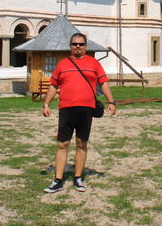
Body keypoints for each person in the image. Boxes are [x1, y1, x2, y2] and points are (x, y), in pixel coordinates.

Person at [42, 32, 116, 193]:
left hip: (86, 109)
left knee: (82, 144)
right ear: (70, 46)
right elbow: (54, 85)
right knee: (63, 144)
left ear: (85, 46)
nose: (78, 47)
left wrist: (111, 102)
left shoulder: (94, 63)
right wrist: (46, 104)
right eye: (75, 44)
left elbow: (103, 83)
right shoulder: (63, 64)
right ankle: (58, 180)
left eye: (81, 44)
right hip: (66, 109)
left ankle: (78, 178)